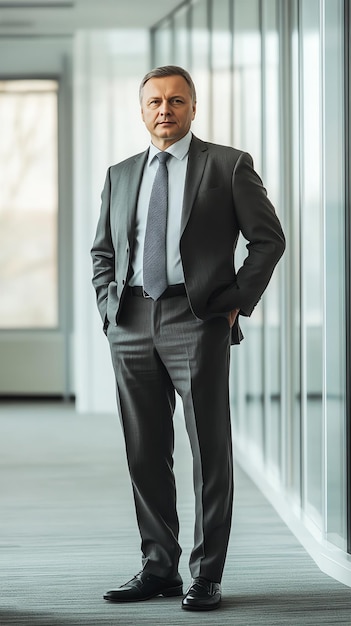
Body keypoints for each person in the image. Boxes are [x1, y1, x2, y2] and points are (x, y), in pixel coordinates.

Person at [91, 65, 285, 612]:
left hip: (195, 319)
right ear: (142, 108)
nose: (165, 109)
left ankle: (206, 574)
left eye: (176, 100)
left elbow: (268, 240)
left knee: (208, 451)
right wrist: (110, 309)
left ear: (193, 108)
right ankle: (159, 568)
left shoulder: (227, 166)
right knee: (144, 450)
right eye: (155, 101)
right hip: (131, 320)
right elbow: (103, 251)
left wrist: (230, 305)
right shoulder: (121, 173)